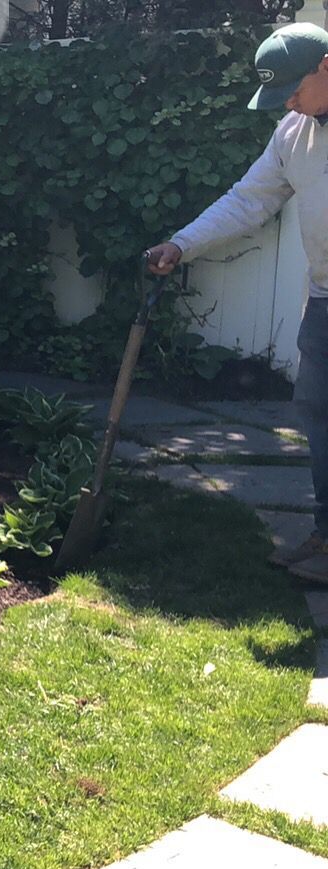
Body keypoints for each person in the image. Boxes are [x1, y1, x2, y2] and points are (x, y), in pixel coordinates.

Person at [146, 21, 328, 584]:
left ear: (325, 67)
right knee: (318, 415)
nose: (289, 103)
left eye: (293, 89)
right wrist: (182, 243)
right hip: (324, 301)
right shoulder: (293, 133)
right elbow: (248, 200)